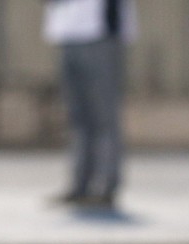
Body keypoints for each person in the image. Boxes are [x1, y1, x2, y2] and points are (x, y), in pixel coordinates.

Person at [43, 0, 131, 208]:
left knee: (103, 115)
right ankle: (80, 184)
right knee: (77, 117)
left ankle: (106, 185)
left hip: (99, 33)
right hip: (66, 33)